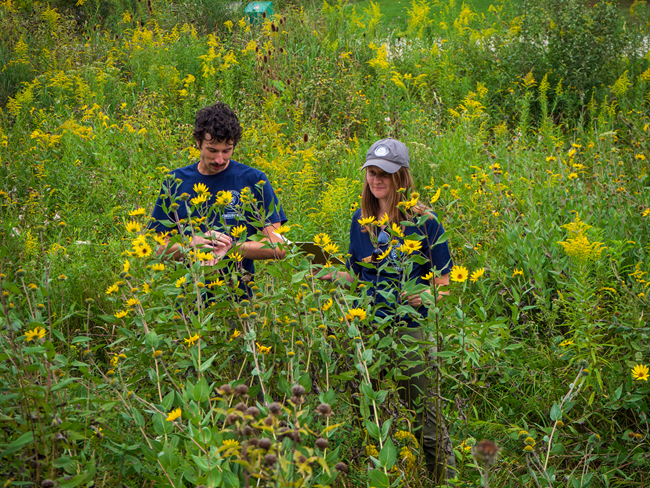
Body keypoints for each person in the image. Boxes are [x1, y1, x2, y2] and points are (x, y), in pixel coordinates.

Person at [322, 138, 456, 483]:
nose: (377, 180)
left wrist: (425, 297)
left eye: (386, 174)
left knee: (425, 419)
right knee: (375, 415)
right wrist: (323, 270)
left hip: (410, 331)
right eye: (372, 173)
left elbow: (445, 279)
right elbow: (355, 274)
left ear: (403, 178)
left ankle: (446, 478)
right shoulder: (361, 220)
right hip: (370, 331)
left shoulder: (424, 221)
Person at [148, 102, 287, 278]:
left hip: (239, 297)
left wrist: (232, 248)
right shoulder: (175, 182)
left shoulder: (253, 180)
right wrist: (192, 244)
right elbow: (159, 249)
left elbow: (278, 245)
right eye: (212, 150)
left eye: (227, 151)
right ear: (198, 142)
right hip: (189, 296)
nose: (220, 160)